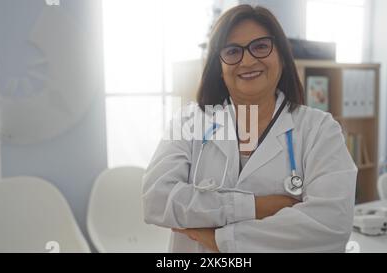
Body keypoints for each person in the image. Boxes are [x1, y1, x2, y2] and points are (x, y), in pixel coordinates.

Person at [142, 4, 357, 252]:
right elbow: (156, 200)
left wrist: (220, 240)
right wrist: (255, 206)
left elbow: (331, 224)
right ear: (219, 68)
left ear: (283, 58)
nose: (247, 60)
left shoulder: (320, 130)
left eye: (261, 46)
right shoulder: (188, 123)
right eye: (233, 51)